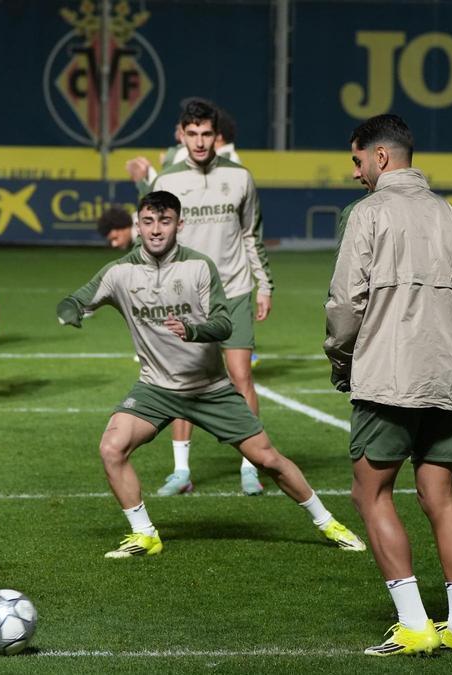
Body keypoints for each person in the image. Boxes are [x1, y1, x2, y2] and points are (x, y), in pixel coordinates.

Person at [56, 191, 365, 559]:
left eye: (165, 221)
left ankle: (327, 522)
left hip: (210, 389)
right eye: (149, 222)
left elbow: (223, 322)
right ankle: (145, 535)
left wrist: (193, 330)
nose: (156, 230)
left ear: (179, 225)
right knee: (111, 447)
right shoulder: (119, 272)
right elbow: (76, 299)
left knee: (267, 460)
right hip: (156, 388)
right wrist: (70, 311)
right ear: (137, 225)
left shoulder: (199, 266)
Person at [326, 114, 452, 657]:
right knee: (441, 497)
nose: (356, 173)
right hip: (448, 379)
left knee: (370, 492)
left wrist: (340, 360)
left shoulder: (369, 214)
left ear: (380, 157)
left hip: (387, 378)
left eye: (358, 161)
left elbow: (345, 304)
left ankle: (413, 623)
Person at [148, 99, 271, 497]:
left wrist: (264, 284)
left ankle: (250, 465)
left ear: (216, 136)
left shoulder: (240, 178)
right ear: (181, 135)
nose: (200, 142)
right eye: (192, 134)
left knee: (241, 377)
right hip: (186, 295)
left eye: (206, 134)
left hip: (234, 290)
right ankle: (181, 471)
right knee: (182, 381)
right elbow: (158, 238)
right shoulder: (166, 181)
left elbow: (252, 233)